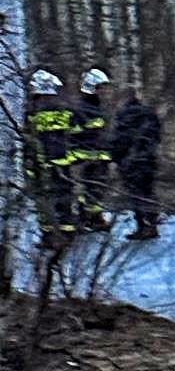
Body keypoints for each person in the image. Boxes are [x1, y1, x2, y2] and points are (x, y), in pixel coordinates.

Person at [24, 70, 78, 245]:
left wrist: (30, 165)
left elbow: (30, 140)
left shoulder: (33, 112)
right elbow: (74, 133)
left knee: (44, 199)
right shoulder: (64, 109)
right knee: (64, 196)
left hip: (42, 163)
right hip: (62, 162)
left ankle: (49, 236)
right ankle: (67, 232)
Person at [109, 89, 162, 240]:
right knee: (148, 191)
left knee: (136, 194)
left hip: (130, 162)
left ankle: (143, 226)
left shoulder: (125, 117)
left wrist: (114, 157)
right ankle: (151, 224)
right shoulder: (150, 115)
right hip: (149, 160)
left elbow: (120, 140)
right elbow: (156, 138)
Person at [72, 67, 113, 231]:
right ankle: (85, 219)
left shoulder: (94, 106)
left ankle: (94, 218)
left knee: (95, 188)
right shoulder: (84, 108)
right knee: (92, 189)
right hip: (89, 156)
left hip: (97, 156)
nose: (103, 91)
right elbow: (78, 133)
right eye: (100, 87)